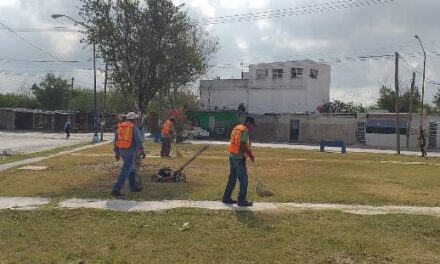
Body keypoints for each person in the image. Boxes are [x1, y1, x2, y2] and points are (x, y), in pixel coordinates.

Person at [222, 116, 258, 207]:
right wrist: (250, 155)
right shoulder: (245, 130)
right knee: (243, 179)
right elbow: (242, 145)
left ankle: (226, 197)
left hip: (232, 156)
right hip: (239, 157)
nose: (252, 128)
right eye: (252, 125)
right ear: (248, 123)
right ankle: (241, 200)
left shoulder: (236, 128)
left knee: (232, 178)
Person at [112, 112, 146, 197]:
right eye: (136, 119)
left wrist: (117, 151)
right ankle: (116, 189)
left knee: (131, 169)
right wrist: (142, 151)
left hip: (122, 151)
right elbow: (138, 140)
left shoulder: (120, 126)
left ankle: (133, 186)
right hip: (131, 151)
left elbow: (116, 139)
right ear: (133, 119)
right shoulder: (133, 127)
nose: (137, 120)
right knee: (125, 170)